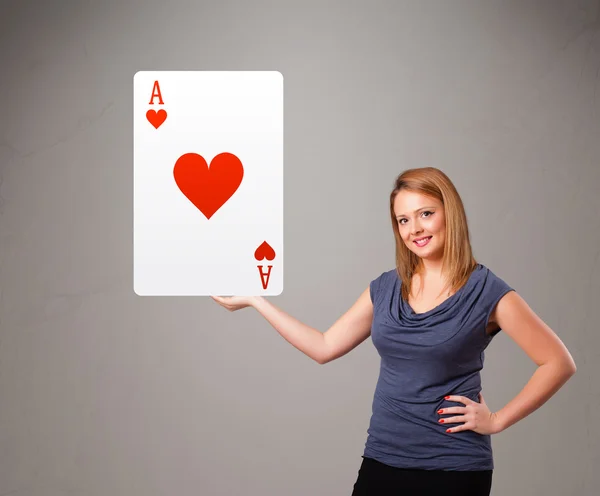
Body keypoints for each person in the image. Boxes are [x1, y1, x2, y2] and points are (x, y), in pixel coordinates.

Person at [211, 167, 577, 496]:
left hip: (454, 469)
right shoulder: (386, 288)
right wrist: (257, 302)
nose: (414, 229)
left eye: (426, 214)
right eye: (403, 220)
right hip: (383, 460)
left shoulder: (487, 292)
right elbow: (323, 346)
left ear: (451, 214)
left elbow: (558, 362)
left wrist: (496, 420)